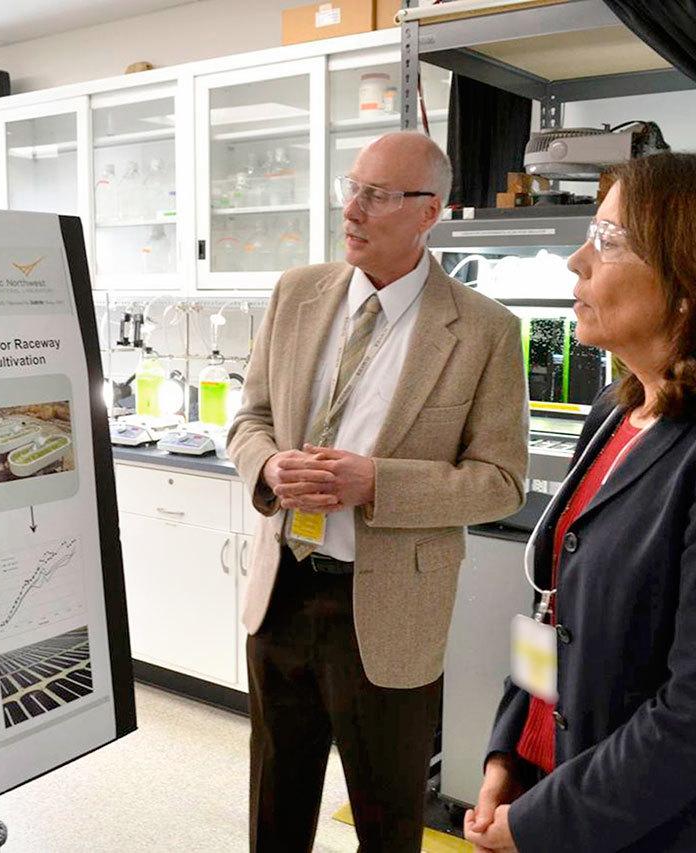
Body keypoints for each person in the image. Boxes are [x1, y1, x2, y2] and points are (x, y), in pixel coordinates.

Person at [465, 151, 696, 853]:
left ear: (694, 276)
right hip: (563, 784)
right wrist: (511, 748)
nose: (576, 261)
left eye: (606, 239)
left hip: (669, 828)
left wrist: (544, 820)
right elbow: (554, 610)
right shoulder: (615, 408)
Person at [228, 131, 528, 851]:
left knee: (389, 821)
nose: (353, 209)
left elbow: (502, 482)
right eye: (352, 187)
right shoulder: (297, 293)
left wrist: (377, 483)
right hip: (284, 593)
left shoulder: (484, 330)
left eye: (378, 195)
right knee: (275, 807)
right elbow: (249, 419)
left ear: (430, 212)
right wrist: (268, 467)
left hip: (389, 607)